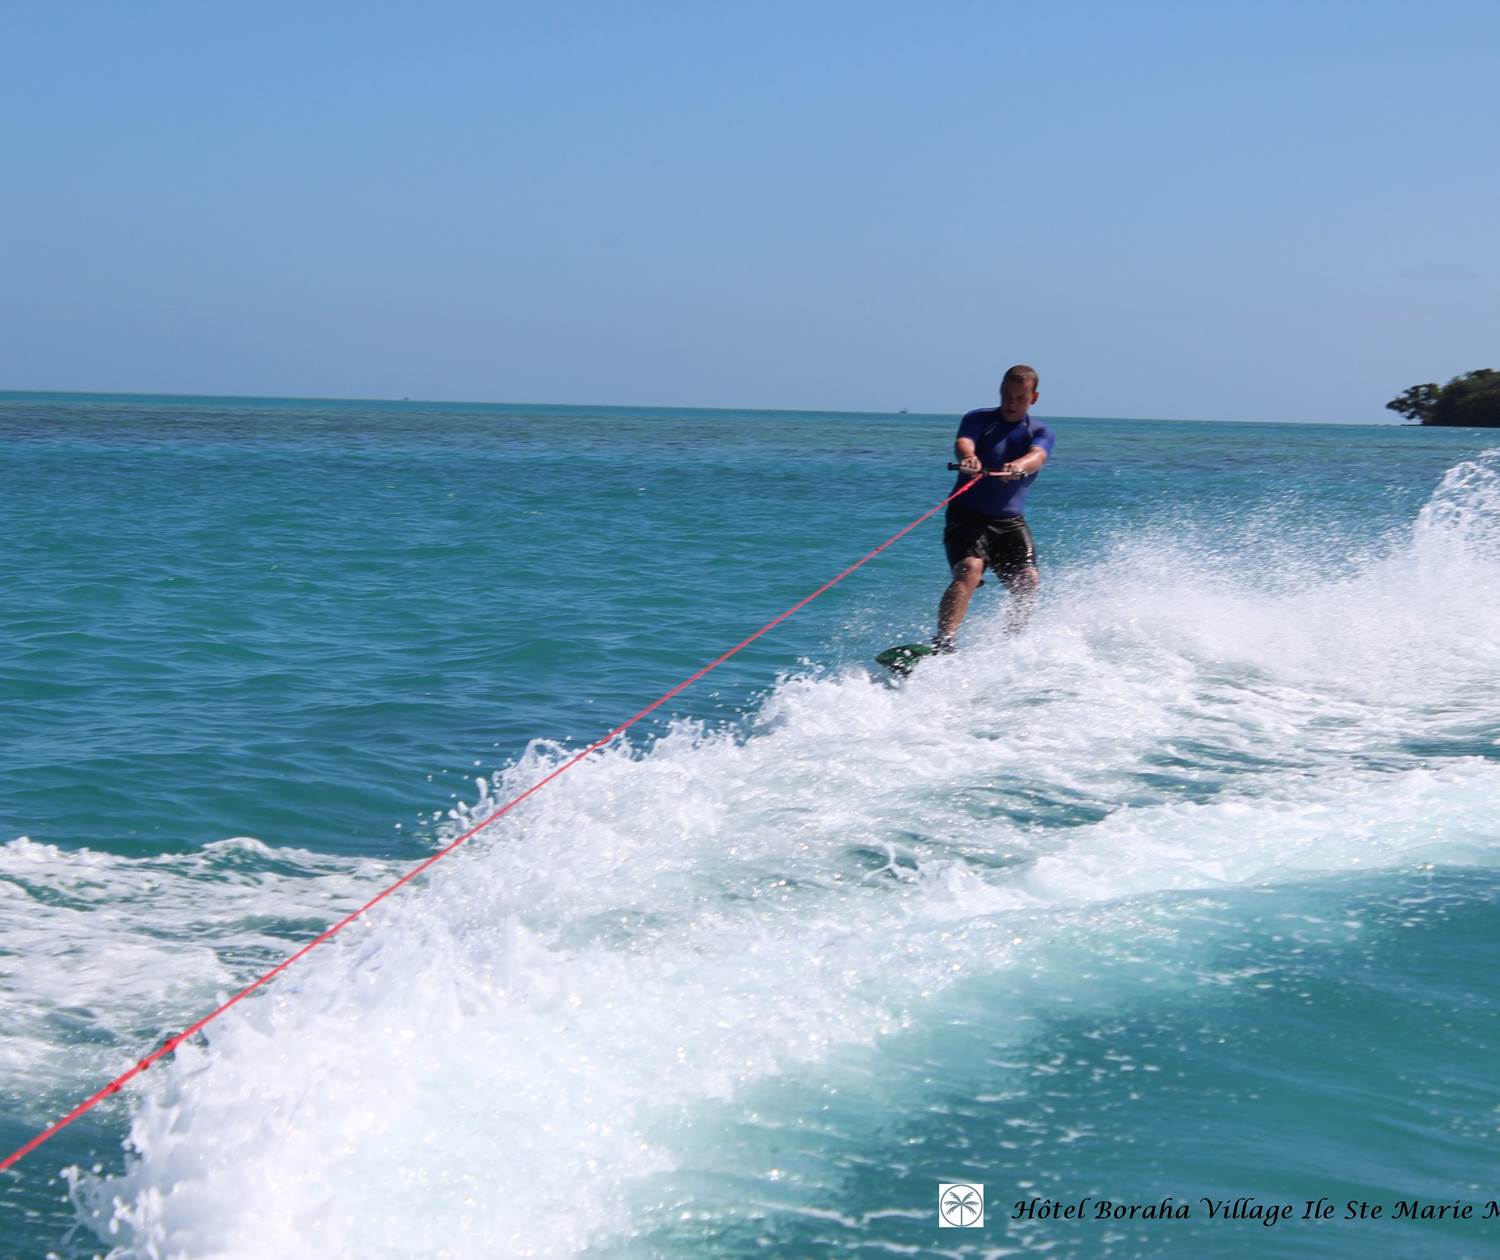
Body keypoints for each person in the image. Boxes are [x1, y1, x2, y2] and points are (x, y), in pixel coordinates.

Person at [934, 364, 1055, 649]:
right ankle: (943, 642)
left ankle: (1012, 643)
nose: (1012, 403)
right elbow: (964, 441)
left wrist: (1019, 465)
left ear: (1034, 398)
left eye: (1020, 397)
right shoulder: (978, 419)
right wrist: (969, 458)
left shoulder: (1040, 431)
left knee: (1028, 579)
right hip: (968, 514)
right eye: (1007, 396)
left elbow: (1038, 456)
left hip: (1009, 521)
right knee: (969, 569)